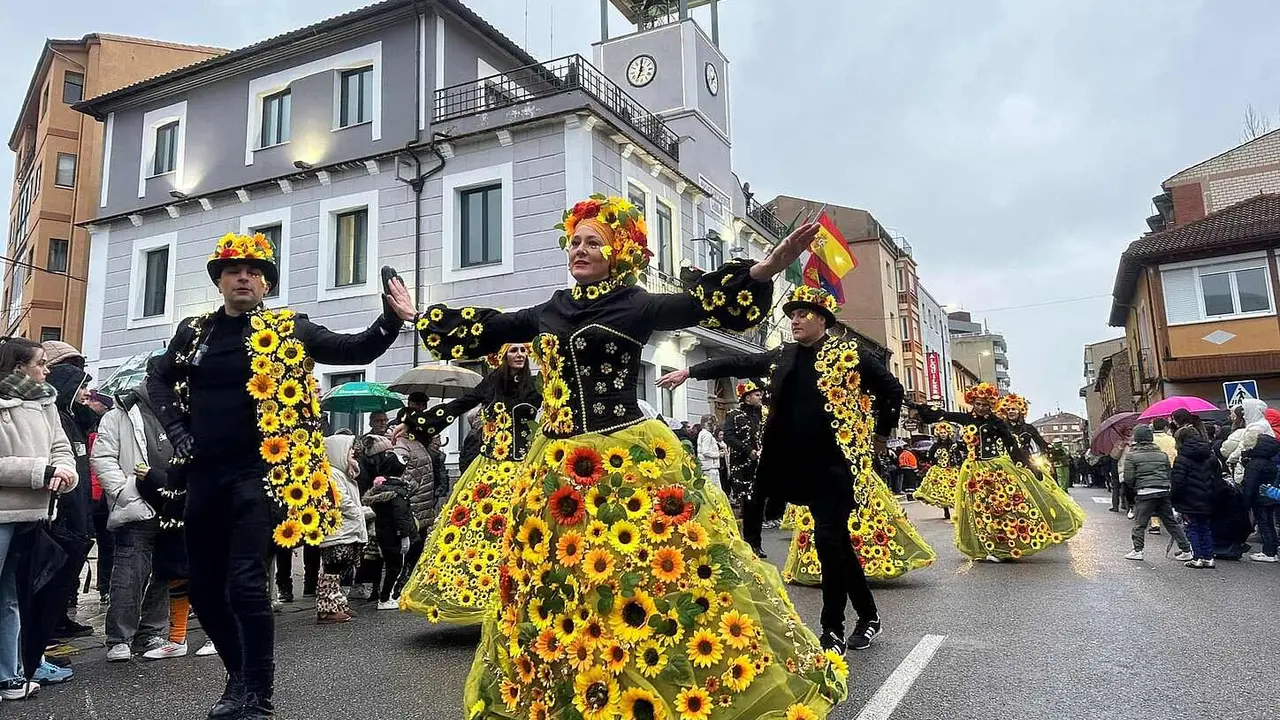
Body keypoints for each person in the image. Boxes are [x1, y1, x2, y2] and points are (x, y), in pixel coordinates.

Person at [419, 196, 847, 716]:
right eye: (574, 241)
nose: (579, 249)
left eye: (592, 241)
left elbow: (698, 306)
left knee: (646, 575)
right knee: (559, 580)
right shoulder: (549, 309)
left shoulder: (636, 304)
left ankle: (658, 678)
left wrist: (764, 268)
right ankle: (571, 679)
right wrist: (414, 317)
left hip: (625, 456)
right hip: (557, 465)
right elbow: (495, 327)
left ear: (618, 251)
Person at [145, 232, 415, 719]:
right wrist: (178, 430)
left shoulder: (289, 327)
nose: (243, 277)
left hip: (259, 475)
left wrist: (391, 318)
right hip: (204, 475)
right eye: (233, 270)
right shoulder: (195, 332)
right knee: (203, 589)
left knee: (247, 584)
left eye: (253, 271)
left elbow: (353, 349)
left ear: (266, 283)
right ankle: (237, 678)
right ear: (220, 281)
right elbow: (158, 375)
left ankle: (259, 696)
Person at [669, 285, 934, 651]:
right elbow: (742, 363)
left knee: (827, 542)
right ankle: (870, 617)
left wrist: (881, 435)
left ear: (822, 319)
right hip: (798, 466)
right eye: (791, 315)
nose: (794, 320)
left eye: (802, 314)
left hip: (838, 465)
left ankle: (832, 630)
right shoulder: (785, 355)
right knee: (837, 543)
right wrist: (690, 371)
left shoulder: (850, 353)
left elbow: (892, 389)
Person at [398, 344, 539, 625]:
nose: (520, 355)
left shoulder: (536, 387)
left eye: (523, 350)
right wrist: (414, 424)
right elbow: (455, 407)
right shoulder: (490, 384)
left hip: (526, 467)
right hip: (492, 468)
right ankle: (485, 601)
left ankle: (527, 599)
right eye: (513, 350)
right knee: (486, 533)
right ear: (502, 356)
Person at [913, 384, 1084, 562]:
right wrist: (917, 406)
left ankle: (1003, 545)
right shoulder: (965, 418)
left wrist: (1030, 466)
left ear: (991, 405)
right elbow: (942, 414)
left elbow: (1012, 447)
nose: (980, 408)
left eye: (984, 405)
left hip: (993, 470)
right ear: (973, 402)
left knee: (998, 508)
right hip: (972, 471)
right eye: (978, 404)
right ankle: (986, 545)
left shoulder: (997, 422)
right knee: (977, 510)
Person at [0, 337, 78, 699]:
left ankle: (10, 675)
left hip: (35, 513)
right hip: (3, 512)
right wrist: (40, 471)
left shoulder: (46, 402)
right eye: (40, 363)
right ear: (19, 368)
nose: (47, 370)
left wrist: (64, 471)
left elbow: (61, 447)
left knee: (14, 597)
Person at [91, 380, 172, 661]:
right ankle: (119, 637)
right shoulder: (119, 415)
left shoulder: (179, 410)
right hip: (136, 503)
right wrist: (125, 492)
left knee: (164, 570)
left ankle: (151, 632)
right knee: (129, 571)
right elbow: (102, 458)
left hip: (171, 503)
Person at [357, 435, 414, 611]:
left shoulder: (381, 489)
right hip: (394, 535)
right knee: (395, 567)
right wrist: (405, 535)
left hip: (384, 532)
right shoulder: (397, 491)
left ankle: (386, 595)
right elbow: (401, 516)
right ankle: (387, 597)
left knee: (390, 565)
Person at [315, 434, 368, 623]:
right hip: (338, 531)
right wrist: (359, 513)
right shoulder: (333, 474)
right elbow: (342, 500)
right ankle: (327, 608)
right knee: (331, 570)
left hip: (347, 530)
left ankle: (338, 603)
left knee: (338, 571)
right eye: (349, 449)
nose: (353, 451)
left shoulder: (344, 472)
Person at [1120, 425, 1193, 562]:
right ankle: (1186, 549)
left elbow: (1128, 478)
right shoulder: (1162, 455)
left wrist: (1137, 486)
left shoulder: (1132, 456)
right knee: (1170, 522)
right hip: (1163, 491)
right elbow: (1168, 472)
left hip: (1145, 492)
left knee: (1140, 523)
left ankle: (1138, 550)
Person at [1170, 422, 1220, 569]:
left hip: (1189, 499)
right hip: (1207, 498)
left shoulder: (1182, 457)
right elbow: (1216, 477)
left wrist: (1173, 498)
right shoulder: (1209, 455)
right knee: (1205, 528)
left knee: (1192, 528)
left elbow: (1178, 481)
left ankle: (1197, 556)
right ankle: (1209, 557)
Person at [721, 380, 765, 506]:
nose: (760, 398)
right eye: (757, 395)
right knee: (745, 496)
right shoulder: (734, 415)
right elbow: (728, 437)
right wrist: (748, 450)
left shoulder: (760, 416)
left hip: (758, 463)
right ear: (747, 398)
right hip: (741, 463)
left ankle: (763, 519)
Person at [1238, 429, 1280, 563]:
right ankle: (1272, 549)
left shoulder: (1255, 463)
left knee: (1264, 524)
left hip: (1259, 498)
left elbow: (1250, 484)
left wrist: (1245, 502)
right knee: (1269, 524)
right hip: (1269, 497)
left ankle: (1268, 551)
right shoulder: (1269, 461)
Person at [915, 422, 960, 519]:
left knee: (954, 490)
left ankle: (956, 510)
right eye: (941, 433)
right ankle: (946, 510)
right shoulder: (935, 446)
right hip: (940, 470)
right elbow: (930, 456)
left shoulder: (953, 445)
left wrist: (958, 465)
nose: (943, 434)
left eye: (945, 433)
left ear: (948, 433)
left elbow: (958, 456)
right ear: (938, 434)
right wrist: (933, 460)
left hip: (952, 470)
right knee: (942, 491)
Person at [696, 414, 722, 488]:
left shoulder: (702, 433)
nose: (715, 426)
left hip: (707, 466)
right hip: (710, 467)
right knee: (715, 490)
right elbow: (705, 451)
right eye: (714, 424)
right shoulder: (707, 435)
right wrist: (718, 454)